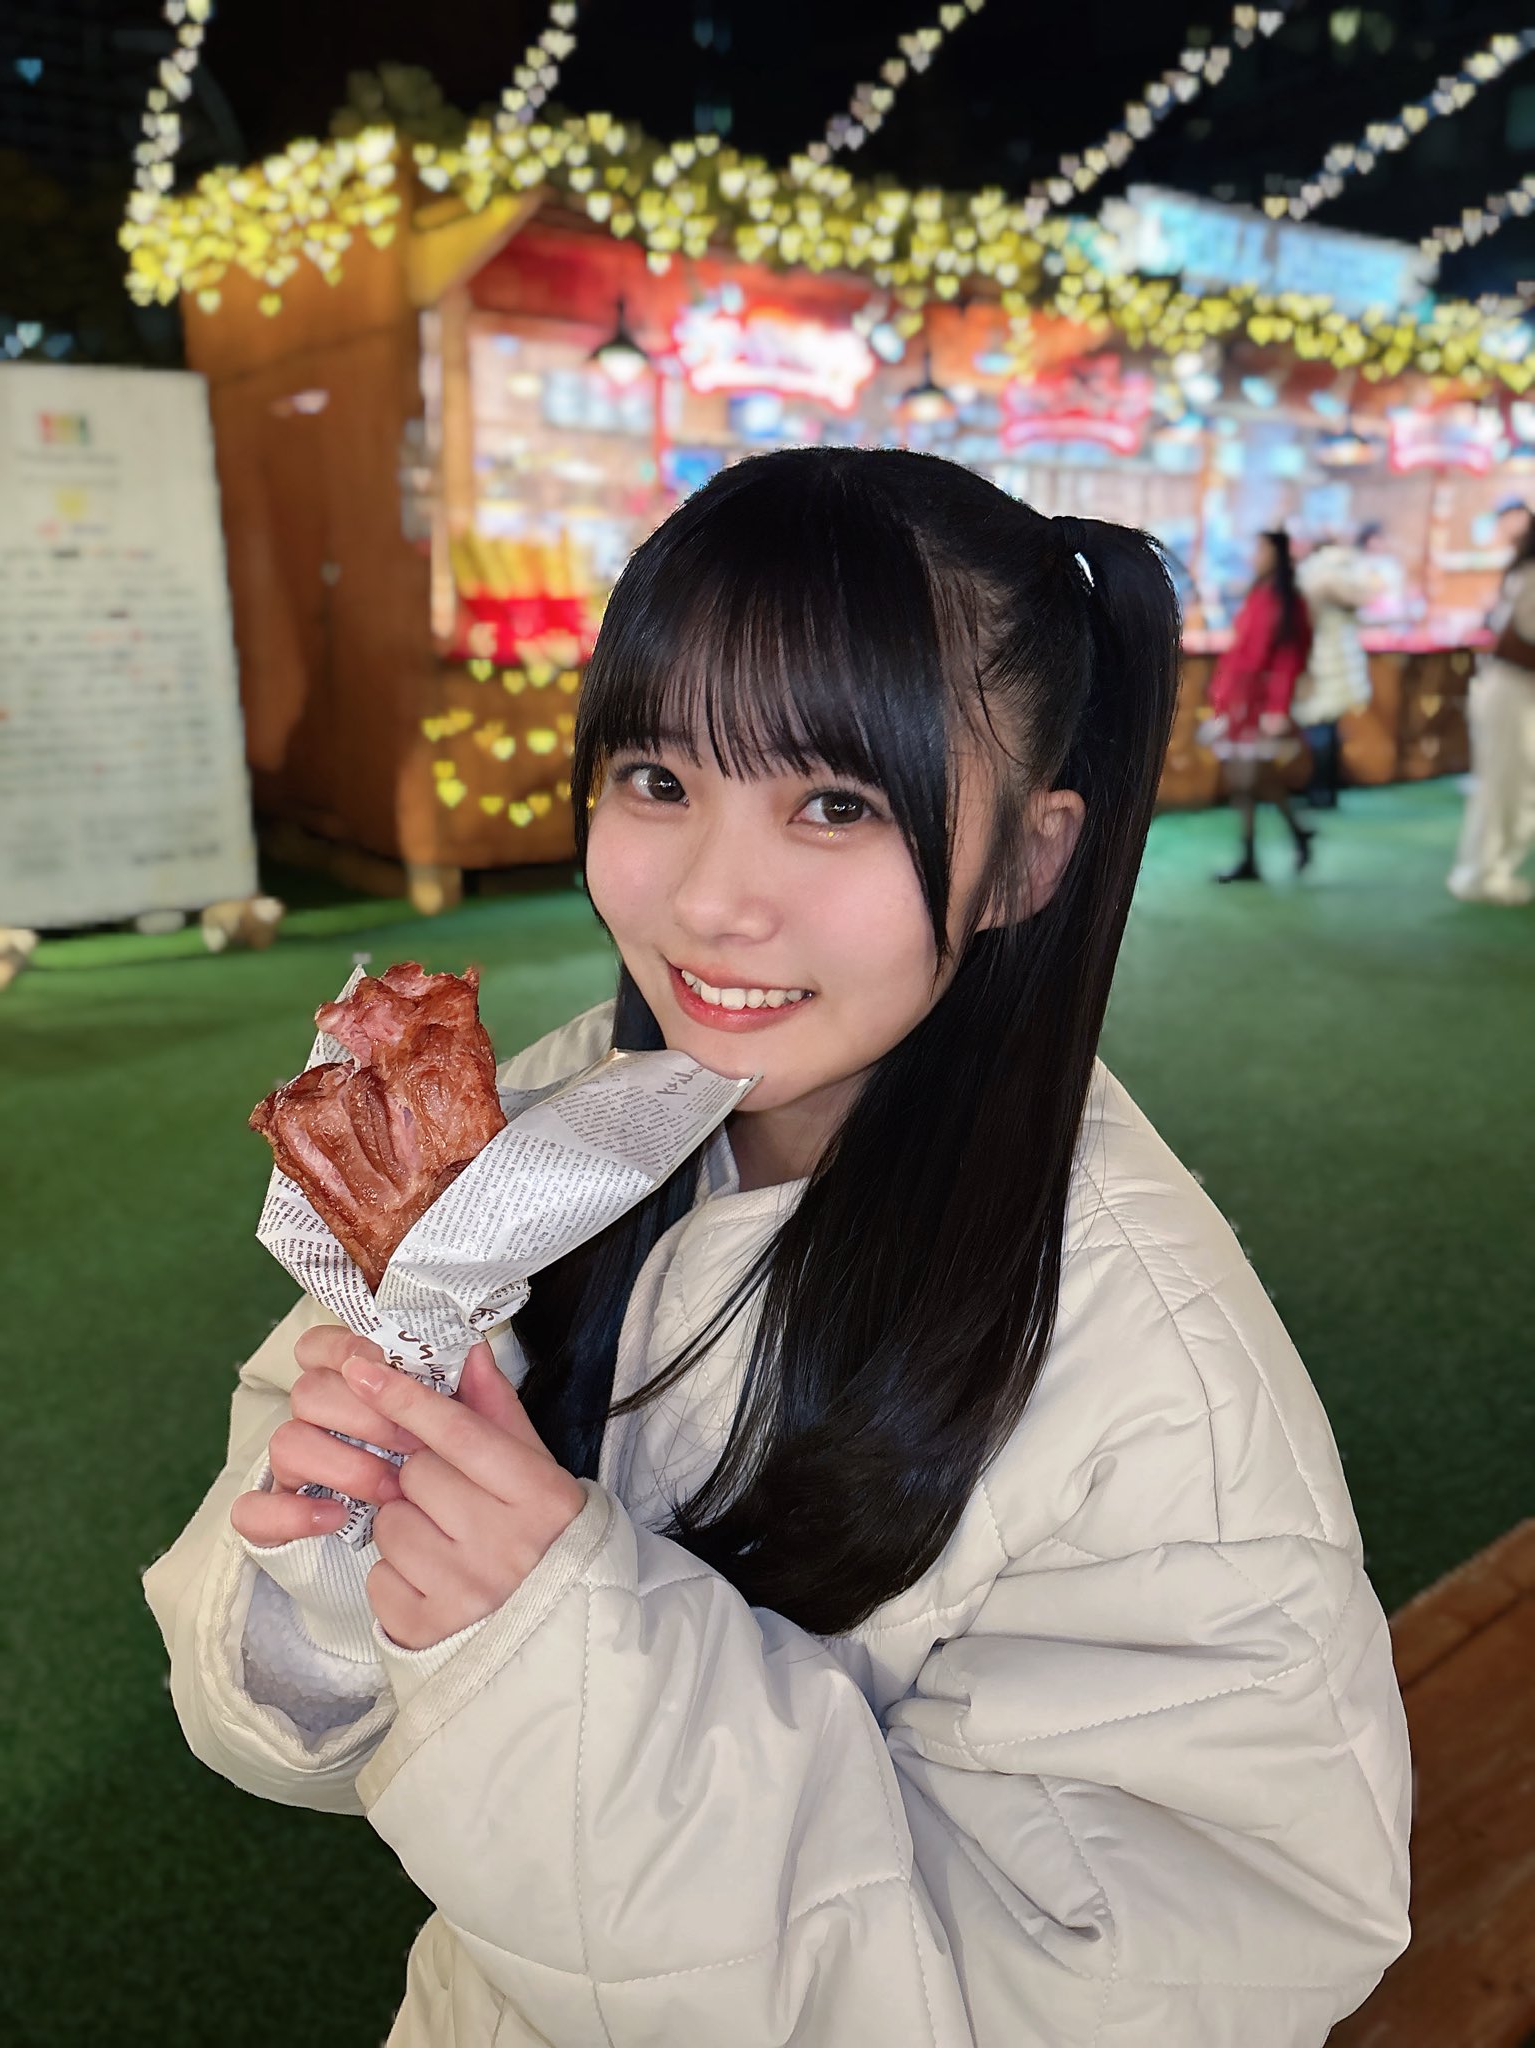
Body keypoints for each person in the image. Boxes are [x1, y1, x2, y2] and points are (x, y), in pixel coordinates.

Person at [144, 450, 1410, 2047]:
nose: (710, 903)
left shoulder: (1155, 1384)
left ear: (1029, 860)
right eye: (658, 780)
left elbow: (1144, 1984)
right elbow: (268, 1713)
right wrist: (325, 1583)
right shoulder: (545, 1122)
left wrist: (549, 1634)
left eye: (835, 804)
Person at [1205, 529, 1316, 881]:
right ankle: (1290, 836)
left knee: (1248, 779)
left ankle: (1256, 853)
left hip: (1259, 705)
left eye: (1261, 550)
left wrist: (1277, 708)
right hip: (1240, 702)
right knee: (1251, 780)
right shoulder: (1260, 594)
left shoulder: (1285, 601)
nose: (1255, 556)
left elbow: (1288, 658)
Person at [1448, 513, 1535, 904]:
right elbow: (1522, 641)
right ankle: (1482, 874)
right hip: (1512, 691)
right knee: (1505, 786)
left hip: (1516, 691)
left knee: (1514, 786)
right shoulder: (1530, 576)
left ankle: (1489, 870)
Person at [1294, 528, 1377, 808]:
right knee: (1328, 724)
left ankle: (1321, 787)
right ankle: (1328, 784)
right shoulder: (1346, 571)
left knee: (1319, 722)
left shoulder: (1316, 573)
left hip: (1321, 654)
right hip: (1340, 653)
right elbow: (1364, 599)